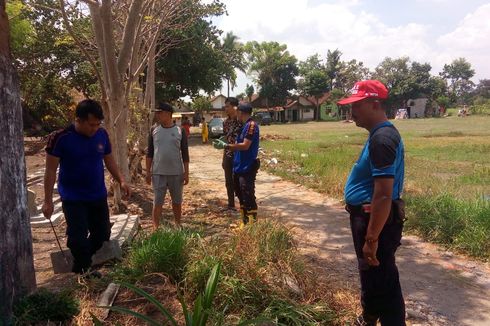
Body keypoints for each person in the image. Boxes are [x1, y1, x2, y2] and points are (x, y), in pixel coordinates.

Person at [337, 80, 406, 326]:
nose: (351, 111)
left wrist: (371, 238)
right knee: (374, 275)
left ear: (375, 104)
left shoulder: (382, 139)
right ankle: (368, 317)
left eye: (356, 105)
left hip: (373, 219)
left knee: (382, 278)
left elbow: (384, 194)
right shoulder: (379, 135)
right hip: (368, 217)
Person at [42, 99, 131, 277]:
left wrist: (121, 180)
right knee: (77, 238)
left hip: (97, 194)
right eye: (91, 125)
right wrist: (47, 201)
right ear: (78, 120)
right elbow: (50, 170)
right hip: (72, 197)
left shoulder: (102, 135)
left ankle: (81, 263)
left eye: (98, 124)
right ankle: (84, 272)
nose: (95, 128)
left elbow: (109, 160)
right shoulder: (60, 138)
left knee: (102, 235)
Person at [214, 103, 260, 226]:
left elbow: (245, 145)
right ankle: (244, 223)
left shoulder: (251, 126)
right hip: (239, 166)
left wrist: (227, 146)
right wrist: (226, 140)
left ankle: (252, 225)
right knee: (240, 195)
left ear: (240, 112)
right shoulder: (243, 126)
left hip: (248, 166)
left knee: (248, 195)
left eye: (237, 112)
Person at [146, 102, 189, 230]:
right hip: (158, 173)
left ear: (168, 114)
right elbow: (150, 153)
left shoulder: (180, 131)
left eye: (160, 113)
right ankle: (155, 228)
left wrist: (186, 173)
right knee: (157, 202)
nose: (158, 115)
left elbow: (185, 154)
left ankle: (177, 225)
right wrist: (148, 172)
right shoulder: (154, 130)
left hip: (176, 173)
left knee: (177, 202)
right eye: (157, 113)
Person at [221, 97, 243, 211]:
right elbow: (226, 137)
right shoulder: (225, 122)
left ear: (235, 107)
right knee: (228, 181)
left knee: (239, 181)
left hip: (239, 155)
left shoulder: (241, 121)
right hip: (228, 154)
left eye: (227, 106)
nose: (226, 109)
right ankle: (231, 205)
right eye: (225, 106)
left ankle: (243, 205)